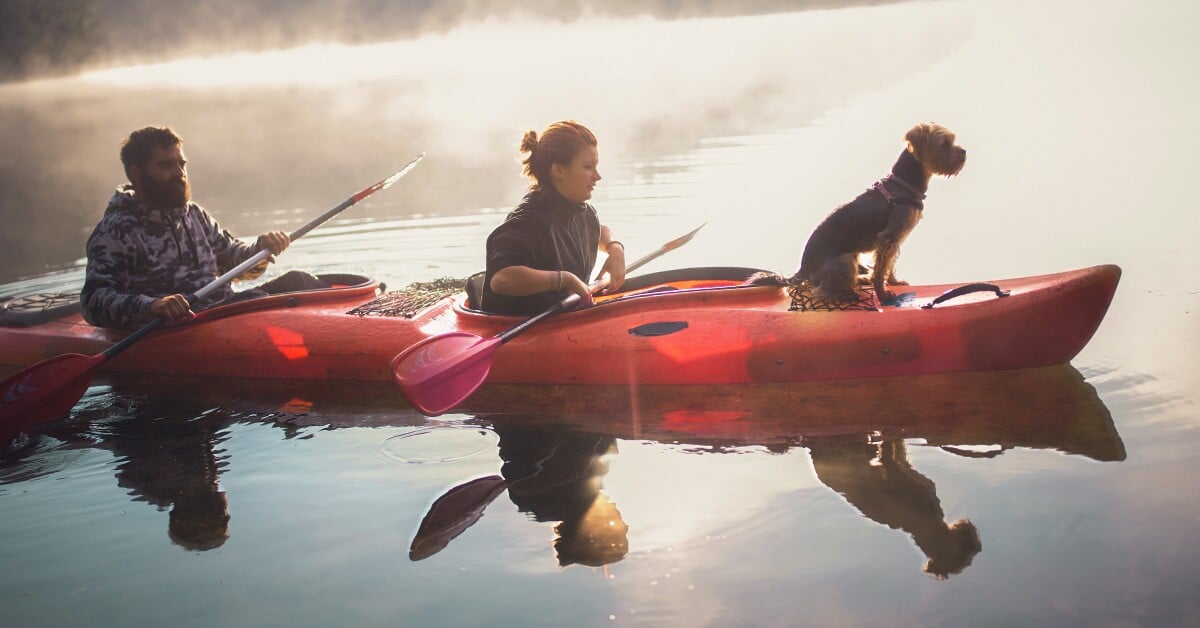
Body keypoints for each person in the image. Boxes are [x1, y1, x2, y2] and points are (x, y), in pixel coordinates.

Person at [81, 126, 325, 329]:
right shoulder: (116, 231)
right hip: (177, 329)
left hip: (224, 312)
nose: (179, 173)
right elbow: (93, 302)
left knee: (299, 280)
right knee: (256, 299)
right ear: (138, 173)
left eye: (181, 164)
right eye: (166, 165)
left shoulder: (194, 215)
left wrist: (263, 248)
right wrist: (153, 306)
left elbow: (236, 265)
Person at [480, 120, 626, 315]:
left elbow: (599, 231)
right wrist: (564, 279)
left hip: (565, 320)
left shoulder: (583, 212)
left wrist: (615, 248)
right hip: (518, 327)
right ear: (558, 170)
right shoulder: (529, 221)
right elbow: (502, 279)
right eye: (588, 167)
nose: (597, 176)